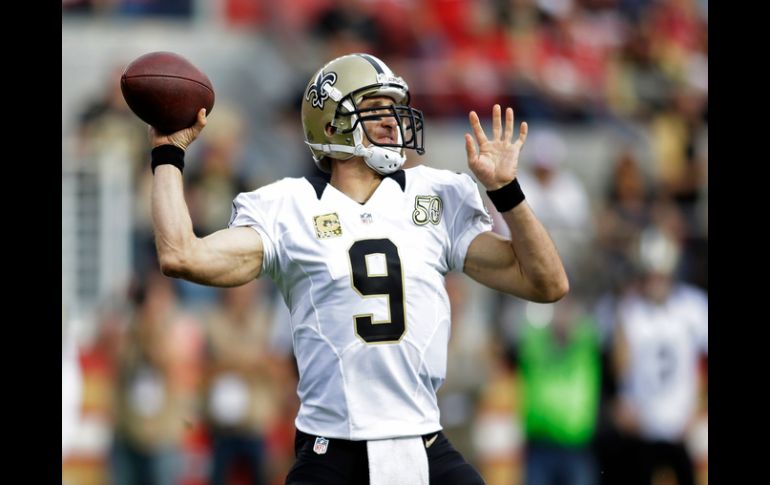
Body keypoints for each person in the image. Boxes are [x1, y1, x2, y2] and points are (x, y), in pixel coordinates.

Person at [148, 53, 568, 484]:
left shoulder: (434, 197)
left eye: (394, 110)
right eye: (374, 110)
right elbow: (181, 255)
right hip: (332, 449)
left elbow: (548, 283)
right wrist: (167, 152)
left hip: (422, 440)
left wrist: (507, 192)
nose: (392, 122)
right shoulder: (289, 207)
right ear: (331, 125)